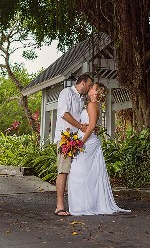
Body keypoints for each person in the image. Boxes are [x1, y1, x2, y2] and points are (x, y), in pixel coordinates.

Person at [67, 82, 130, 216]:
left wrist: (80, 142)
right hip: (90, 140)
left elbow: (91, 126)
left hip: (87, 142)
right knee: (88, 173)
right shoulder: (94, 104)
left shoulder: (92, 104)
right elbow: (92, 124)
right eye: (91, 88)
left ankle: (83, 206)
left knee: (79, 172)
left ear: (96, 93)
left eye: (93, 88)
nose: (91, 89)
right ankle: (88, 204)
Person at [54, 73, 94, 216]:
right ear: (83, 83)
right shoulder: (67, 93)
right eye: (89, 85)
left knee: (76, 172)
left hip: (77, 139)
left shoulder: (82, 98)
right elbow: (64, 113)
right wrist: (80, 126)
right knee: (63, 171)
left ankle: (77, 205)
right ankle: (59, 206)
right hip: (65, 138)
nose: (90, 88)